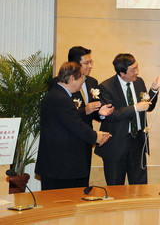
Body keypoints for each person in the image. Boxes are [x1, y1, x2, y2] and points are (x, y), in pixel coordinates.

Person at [35, 62, 111, 190]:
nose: (83, 80)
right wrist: (96, 137)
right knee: (61, 205)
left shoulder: (58, 95)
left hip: (60, 166)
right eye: (81, 77)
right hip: (60, 167)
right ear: (71, 78)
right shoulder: (61, 99)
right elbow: (75, 125)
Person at [95, 53, 160, 185]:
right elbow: (110, 115)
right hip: (116, 145)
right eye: (133, 70)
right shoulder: (106, 87)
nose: (137, 72)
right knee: (115, 186)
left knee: (140, 185)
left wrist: (154, 89)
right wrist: (135, 108)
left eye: (137, 67)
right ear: (122, 73)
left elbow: (147, 107)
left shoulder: (139, 82)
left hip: (137, 142)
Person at [67, 46, 114, 185]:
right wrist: (84, 110)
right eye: (86, 63)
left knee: (83, 180)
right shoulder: (62, 83)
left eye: (91, 62)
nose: (90, 66)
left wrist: (101, 113)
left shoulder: (92, 82)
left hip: (86, 138)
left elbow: (93, 111)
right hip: (69, 141)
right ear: (75, 65)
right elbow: (64, 114)